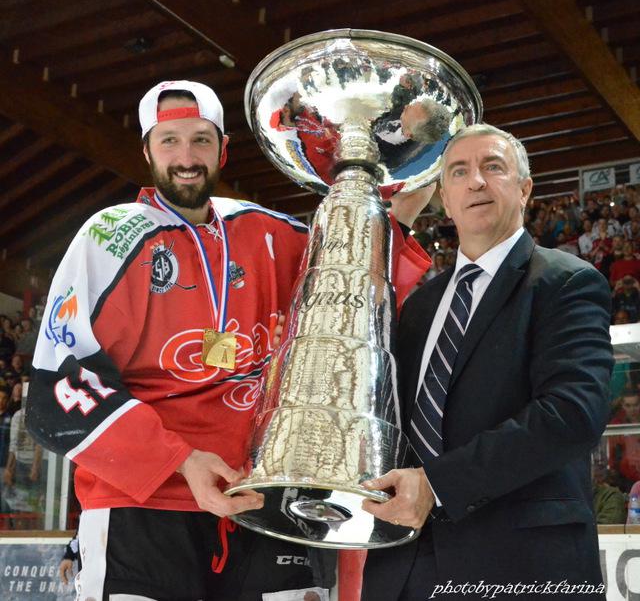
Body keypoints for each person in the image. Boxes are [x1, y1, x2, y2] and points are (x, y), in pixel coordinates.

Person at [25, 80, 431, 601]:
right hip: (145, 506)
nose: (186, 157)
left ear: (222, 149)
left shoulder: (271, 232)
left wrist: (405, 192)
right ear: (147, 150)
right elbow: (58, 388)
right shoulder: (109, 237)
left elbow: (355, 283)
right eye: (169, 141)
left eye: (200, 139)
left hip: (266, 496)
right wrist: (180, 460)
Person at [361, 123, 612, 600]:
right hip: (403, 566)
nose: (475, 181)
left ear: (524, 189)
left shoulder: (567, 282)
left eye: (492, 167)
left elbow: (572, 414)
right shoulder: (419, 305)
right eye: (458, 172)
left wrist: (438, 485)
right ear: (445, 201)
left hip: (521, 565)